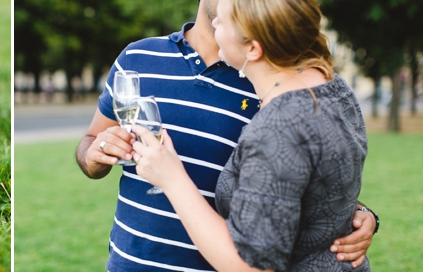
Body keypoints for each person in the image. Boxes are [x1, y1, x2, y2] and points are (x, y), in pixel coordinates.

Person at [74, 0, 377, 271]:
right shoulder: (137, 57)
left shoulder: (269, 82)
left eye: (227, 18)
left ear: (253, 45)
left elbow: (296, 164)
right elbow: (91, 140)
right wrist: (94, 154)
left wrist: (356, 212)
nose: (219, 20)